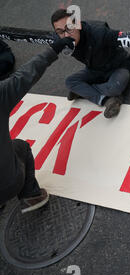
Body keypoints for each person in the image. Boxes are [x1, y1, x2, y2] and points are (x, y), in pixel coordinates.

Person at [0, 37, 75, 213]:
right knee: (21, 147)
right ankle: (31, 195)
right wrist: (53, 49)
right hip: (9, 184)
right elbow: (27, 74)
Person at [51, 8, 130, 118]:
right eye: (60, 31)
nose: (66, 35)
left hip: (118, 67)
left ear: (78, 24)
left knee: (115, 87)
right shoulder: (60, 39)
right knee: (70, 82)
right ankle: (106, 100)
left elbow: (123, 37)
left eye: (69, 28)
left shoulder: (99, 32)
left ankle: (86, 92)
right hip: (94, 69)